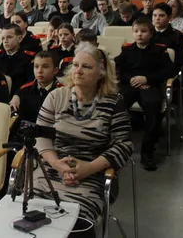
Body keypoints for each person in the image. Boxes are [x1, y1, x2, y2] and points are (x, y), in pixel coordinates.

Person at [33, 43, 133, 237]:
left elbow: (124, 145)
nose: (78, 71)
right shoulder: (56, 96)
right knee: (28, 214)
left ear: (101, 73)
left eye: (86, 67)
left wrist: (89, 168)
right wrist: (57, 164)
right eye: (76, 65)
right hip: (52, 169)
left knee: (75, 224)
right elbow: (41, 135)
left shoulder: (113, 102)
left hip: (94, 175)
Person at [115, 17, 175, 170]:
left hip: (150, 86)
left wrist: (147, 79)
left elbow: (169, 70)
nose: (139, 34)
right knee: (115, 105)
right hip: (130, 86)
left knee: (153, 108)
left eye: (143, 31)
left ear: (151, 33)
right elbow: (119, 69)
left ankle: (147, 153)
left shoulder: (159, 50)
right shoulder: (127, 50)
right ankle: (115, 146)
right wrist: (131, 79)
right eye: (136, 31)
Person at [10, 51, 62, 125]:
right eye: (36, 66)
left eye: (45, 67)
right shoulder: (24, 90)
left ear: (55, 70)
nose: (39, 71)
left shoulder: (61, 92)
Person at [0, 24, 36, 95]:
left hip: (20, 95)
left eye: (9, 37)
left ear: (19, 39)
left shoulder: (29, 58)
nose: (5, 41)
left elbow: (30, 81)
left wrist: (18, 95)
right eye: (3, 38)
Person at [152, 3, 183, 71]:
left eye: (161, 15)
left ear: (169, 17)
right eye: (154, 15)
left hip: (168, 71)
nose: (157, 18)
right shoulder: (147, 34)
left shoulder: (178, 36)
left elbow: (180, 62)